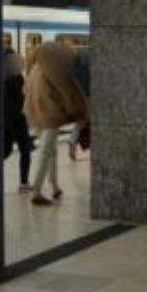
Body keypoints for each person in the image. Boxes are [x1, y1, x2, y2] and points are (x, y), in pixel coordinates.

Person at [23, 42, 88, 206]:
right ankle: (37, 192)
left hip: (34, 115)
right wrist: (76, 109)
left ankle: (54, 185)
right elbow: (65, 92)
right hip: (50, 117)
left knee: (51, 151)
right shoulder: (53, 69)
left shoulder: (35, 68)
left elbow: (26, 91)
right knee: (46, 153)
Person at [2, 49, 35, 190]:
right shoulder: (14, 76)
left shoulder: (2, 75)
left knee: (6, 150)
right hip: (17, 117)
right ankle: (24, 182)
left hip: (5, 117)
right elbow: (20, 96)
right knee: (25, 150)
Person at [68, 46, 92, 160]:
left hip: (81, 94)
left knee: (83, 121)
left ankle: (72, 140)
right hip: (90, 94)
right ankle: (72, 140)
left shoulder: (80, 55)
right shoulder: (91, 56)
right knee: (86, 120)